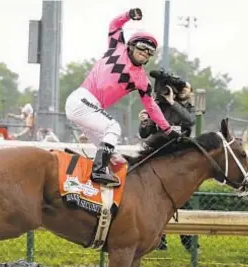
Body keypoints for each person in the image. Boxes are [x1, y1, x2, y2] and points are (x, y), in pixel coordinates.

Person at [65, 8, 180, 187]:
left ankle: (99, 188)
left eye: (150, 51)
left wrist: (167, 129)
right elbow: (114, 25)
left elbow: (152, 107)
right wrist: (128, 15)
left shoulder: (142, 80)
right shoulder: (116, 47)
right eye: (142, 47)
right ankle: (99, 170)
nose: (145, 52)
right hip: (82, 99)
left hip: (88, 109)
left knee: (117, 159)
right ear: (132, 45)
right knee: (113, 127)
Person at [138, 80, 198, 253]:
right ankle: (160, 243)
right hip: (157, 159)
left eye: (187, 88)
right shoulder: (159, 107)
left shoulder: (187, 109)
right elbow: (145, 133)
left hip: (177, 160)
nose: (184, 91)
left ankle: (190, 245)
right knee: (155, 201)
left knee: (183, 201)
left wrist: (173, 102)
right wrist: (143, 122)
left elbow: (190, 121)